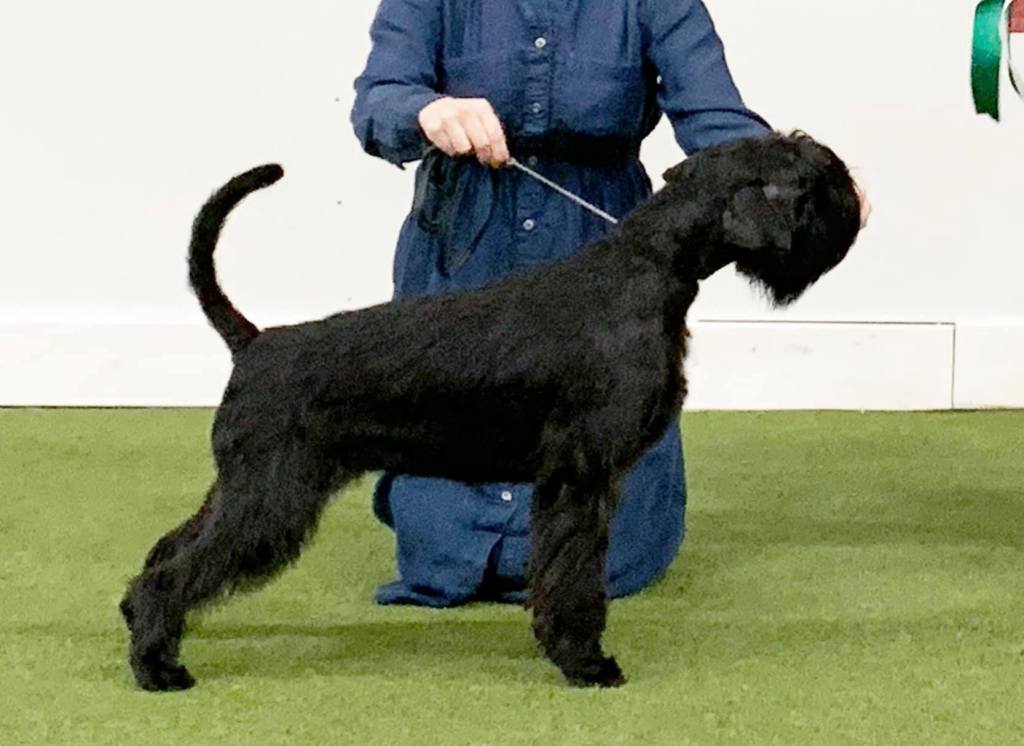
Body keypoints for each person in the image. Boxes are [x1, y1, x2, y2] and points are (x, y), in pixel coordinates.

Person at [351, 0, 868, 607]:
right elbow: (379, 99)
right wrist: (426, 110)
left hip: (602, 259)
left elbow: (716, 122)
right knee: (444, 542)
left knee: (611, 542)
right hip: (463, 255)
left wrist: (808, 188)